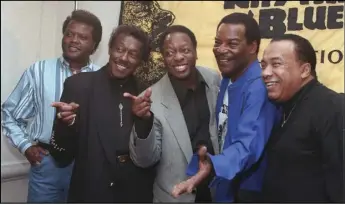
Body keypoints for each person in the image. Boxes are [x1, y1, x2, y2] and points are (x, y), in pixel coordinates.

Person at [171, 13, 279, 202]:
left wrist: (212, 165)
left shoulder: (259, 86)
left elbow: (248, 146)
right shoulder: (228, 78)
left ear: (252, 47)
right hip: (226, 185)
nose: (221, 50)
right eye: (217, 42)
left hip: (248, 191)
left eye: (232, 44)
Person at [1, 10, 102, 203]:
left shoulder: (101, 79)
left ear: (94, 46)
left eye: (82, 37)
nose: (74, 40)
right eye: (69, 34)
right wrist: (26, 146)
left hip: (86, 168)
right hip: (47, 165)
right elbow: (9, 113)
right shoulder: (38, 71)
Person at [49, 24, 156, 203]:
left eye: (133, 54)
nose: (123, 58)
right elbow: (61, 156)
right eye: (119, 50)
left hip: (134, 193)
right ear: (110, 49)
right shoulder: (78, 85)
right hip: (90, 191)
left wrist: (143, 119)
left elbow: (149, 154)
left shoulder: (146, 92)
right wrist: (65, 125)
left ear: (141, 60)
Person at [126, 25, 221, 203]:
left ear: (195, 51)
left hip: (215, 193)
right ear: (163, 59)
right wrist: (143, 122)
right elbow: (143, 161)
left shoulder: (213, 79)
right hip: (176, 197)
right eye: (169, 53)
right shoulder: (149, 100)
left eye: (185, 50)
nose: (178, 57)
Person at [260, 34, 344, 203]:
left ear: (305, 70)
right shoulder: (281, 106)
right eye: (263, 65)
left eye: (276, 64)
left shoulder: (333, 107)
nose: (266, 73)